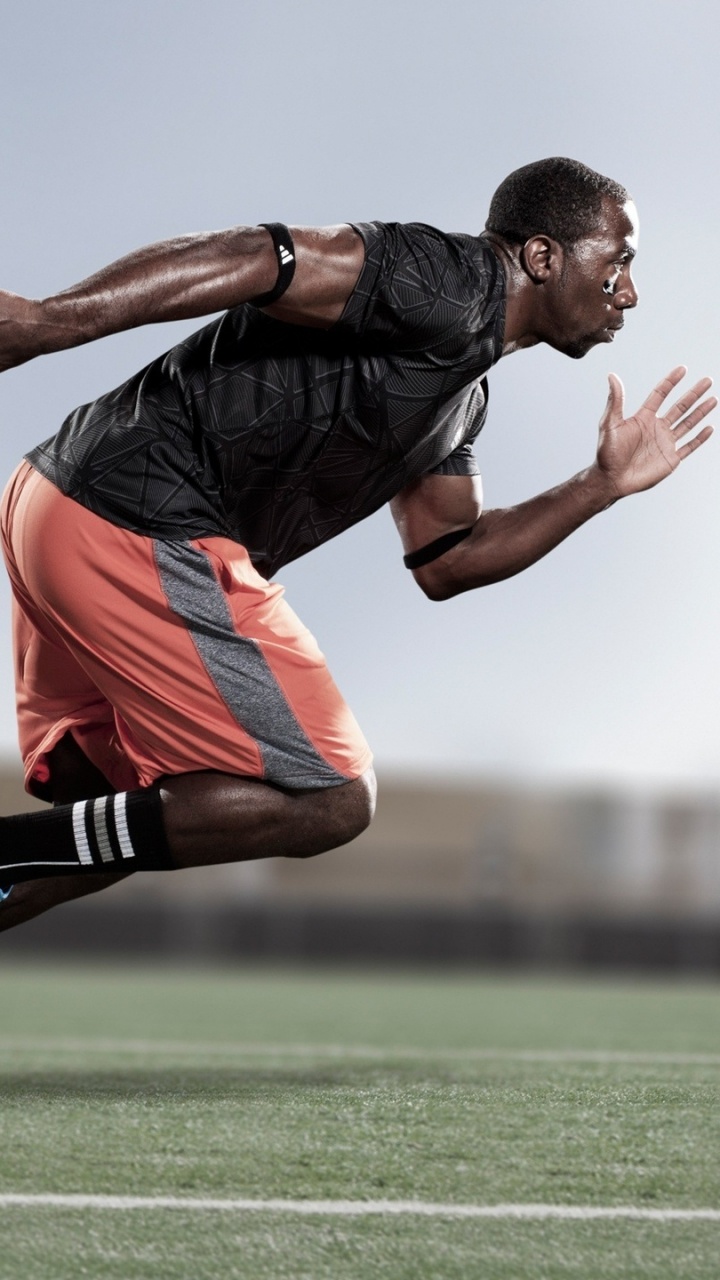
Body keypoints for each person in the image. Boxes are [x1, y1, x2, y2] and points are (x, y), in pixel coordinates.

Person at [0, 157, 713, 933]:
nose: (629, 293)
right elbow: (258, 254)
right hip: (136, 516)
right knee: (329, 797)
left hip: (53, 503)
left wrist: (599, 486)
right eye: (618, 262)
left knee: (116, 816)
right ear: (543, 257)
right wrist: (52, 321)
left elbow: (449, 558)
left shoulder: (462, 394)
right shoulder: (444, 279)